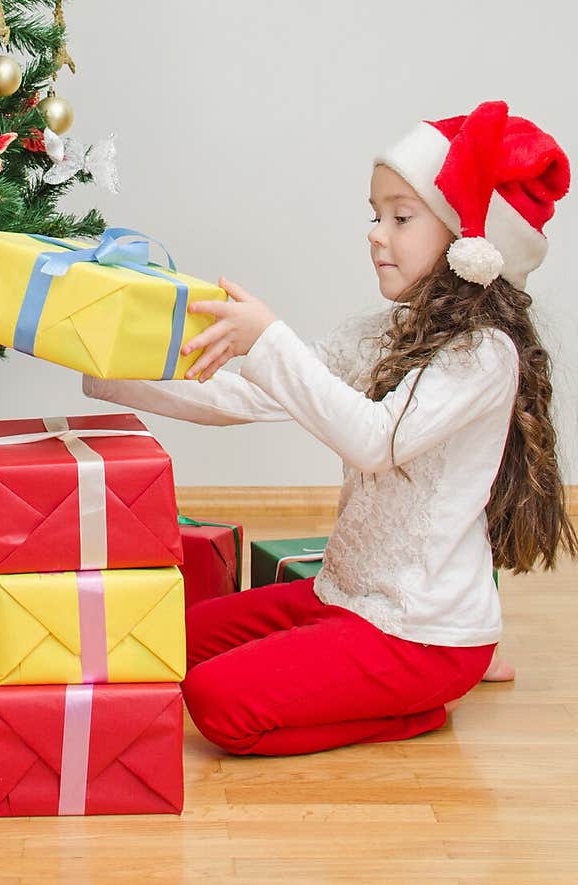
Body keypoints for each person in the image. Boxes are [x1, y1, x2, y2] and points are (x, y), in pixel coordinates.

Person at [84, 100, 576, 756]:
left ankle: (417, 710)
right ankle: (375, 686)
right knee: (165, 637)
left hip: (419, 635)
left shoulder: (482, 353)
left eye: (401, 217)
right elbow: (247, 395)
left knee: (216, 702)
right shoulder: (380, 335)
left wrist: (268, 339)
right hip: (342, 598)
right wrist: (106, 369)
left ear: (469, 240)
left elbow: (376, 442)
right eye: (377, 216)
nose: (376, 233)